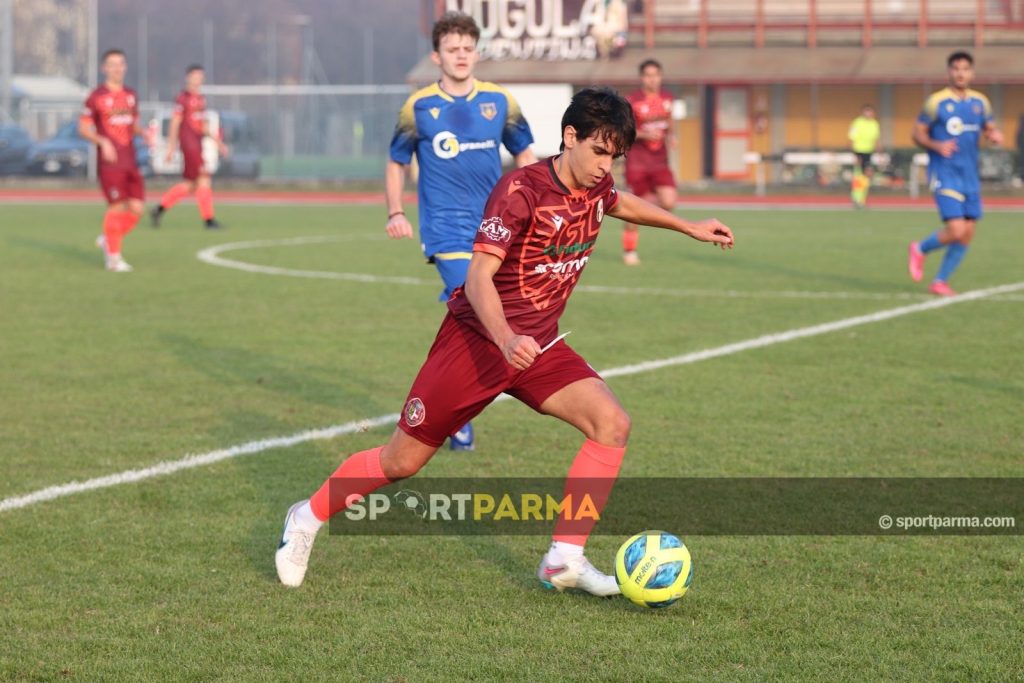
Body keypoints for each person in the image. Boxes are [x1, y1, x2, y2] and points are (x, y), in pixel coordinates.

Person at [275, 87, 734, 595]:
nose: (607, 166)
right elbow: (476, 281)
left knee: (611, 424)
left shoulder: (595, 187)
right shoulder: (521, 190)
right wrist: (506, 336)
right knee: (400, 462)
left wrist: (687, 226)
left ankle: (565, 558)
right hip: (477, 344)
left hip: (538, 348)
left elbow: (619, 202)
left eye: (615, 156)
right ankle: (306, 517)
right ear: (569, 137)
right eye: (599, 151)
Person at [385, 11, 537, 450]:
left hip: (495, 227)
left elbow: (525, 153)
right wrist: (395, 211)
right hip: (446, 230)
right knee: (482, 308)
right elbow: (396, 160)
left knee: (474, 320)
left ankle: (444, 403)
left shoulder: (500, 101)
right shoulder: (418, 107)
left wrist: (533, 206)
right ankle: (455, 414)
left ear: (477, 52)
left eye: (468, 49)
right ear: (437, 56)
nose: (461, 56)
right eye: (452, 49)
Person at [907, 51, 1003, 297]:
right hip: (944, 172)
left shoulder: (980, 102)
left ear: (972, 72)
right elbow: (917, 134)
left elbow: (989, 129)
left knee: (967, 233)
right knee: (957, 229)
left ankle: (940, 281)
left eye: (965, 68)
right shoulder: (936, 102)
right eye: (955, 68)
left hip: (970, 175)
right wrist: (937, 145)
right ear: (948, 71)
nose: (960, 73)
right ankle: (920, 249)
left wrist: (994, 136)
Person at [79, 49, 147, 272]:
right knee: (116, 207)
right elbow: (83, 129)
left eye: (121, 64)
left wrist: (144, 133)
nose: (117, 68)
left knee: (137, 209)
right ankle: (114, 259)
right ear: (104, 68)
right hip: (110, 163)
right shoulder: (95, 97)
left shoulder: (131, 95)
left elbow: (132, 124)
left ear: (125, 67)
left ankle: (108, 239)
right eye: (112, 64)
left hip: (130, 159)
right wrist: (103, 142)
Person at [150, 64, 229, 229]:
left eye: (201, 76)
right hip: (189, 144)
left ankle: (159, 209)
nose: (198, 79)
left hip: (197, 143)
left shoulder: (201, 99)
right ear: (188, 78)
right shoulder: (183, 98)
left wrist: (219, 142)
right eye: (195, 76)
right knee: (204, 179)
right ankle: (209, 220)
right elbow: (175, 122)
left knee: (191, 184)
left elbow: (203, 126)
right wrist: (171, 147)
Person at [621, 59, 677, 266]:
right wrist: (644, 133)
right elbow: (625, 130)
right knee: (632, 208)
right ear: (642, 78)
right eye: (648, 75)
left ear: (660, 76)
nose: (652, 79)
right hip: (637, 162)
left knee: (669, 201)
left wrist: (671, 135)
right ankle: (629, 250)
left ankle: (638, 208)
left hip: (660, 161)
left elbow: (669, 121)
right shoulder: (632, 100)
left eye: (656, 75)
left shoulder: (667, 98)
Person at [848, 104, 880, 208]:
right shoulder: (857, 123)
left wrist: (879, 151)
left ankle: (862, 199)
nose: (869, 114)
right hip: (859, 152)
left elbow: (876, 139)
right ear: (863, 112)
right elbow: (852, 138)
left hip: (869, 152)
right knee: (859, 176)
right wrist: (854, 154)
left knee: (867, 176)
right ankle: (856, 198)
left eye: (870, 112)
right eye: (867, 111)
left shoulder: (875, 124)